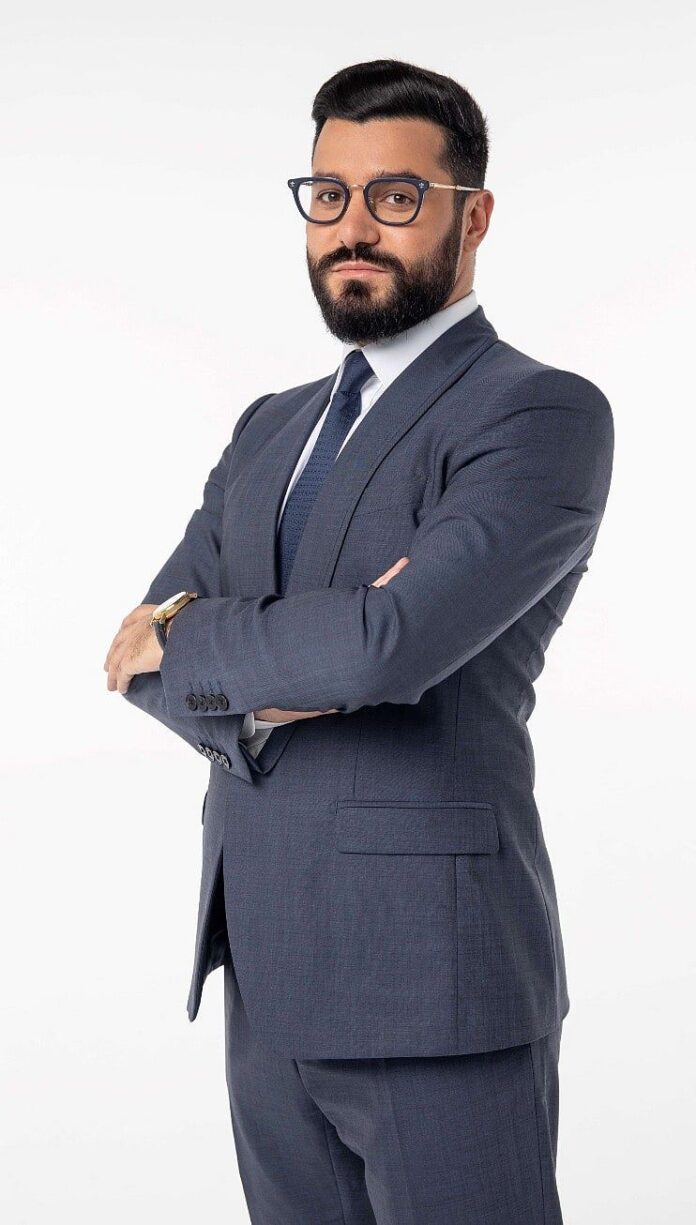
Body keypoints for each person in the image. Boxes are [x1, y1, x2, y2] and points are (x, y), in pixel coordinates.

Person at [105, 57, 614, 1225]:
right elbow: (139, 658)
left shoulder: (538, 413)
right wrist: (294, 664)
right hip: (264, 972)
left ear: (472, 216)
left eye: (395, 196)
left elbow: (387, 646)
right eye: (329, 195)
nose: (353, 228)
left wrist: (223, 646)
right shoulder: (272, 427)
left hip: (434, 983)